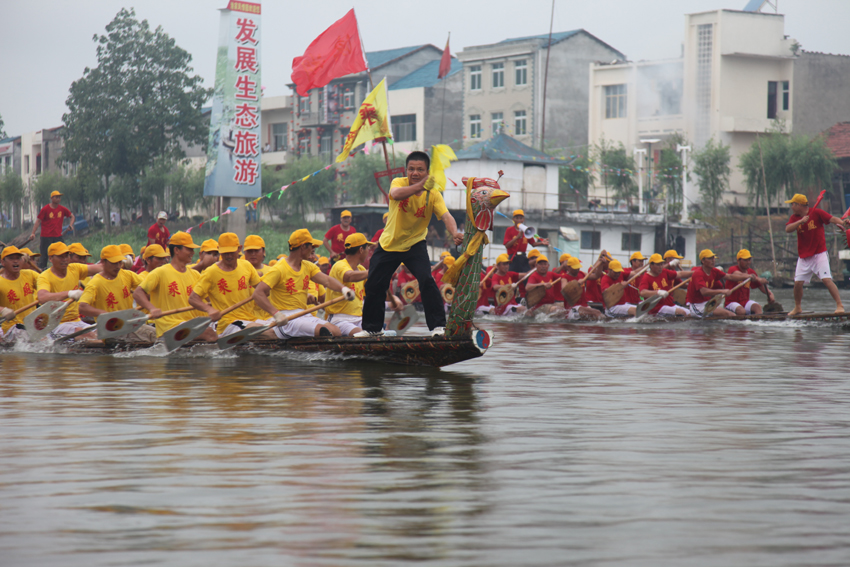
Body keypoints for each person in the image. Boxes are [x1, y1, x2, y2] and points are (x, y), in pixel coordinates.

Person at [358, 150, 463, 337]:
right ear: (406, 170)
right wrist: (421, 185)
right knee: (375, 285)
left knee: (426, 280)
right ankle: (372, 329)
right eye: (411, 169)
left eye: (420, 170)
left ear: (428, 171)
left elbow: (446, 216)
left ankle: (438, 327)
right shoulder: (398, 183)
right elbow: (396, 194)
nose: (415, 173)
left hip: (415, 244)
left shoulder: (434, 194)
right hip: (390, 243)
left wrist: (455, 232)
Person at [253, 229, 352, 338]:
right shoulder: (279, 269)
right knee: (326, 331)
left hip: (303, 314)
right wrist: (276, 314)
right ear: (303, 247)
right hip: (286, 318)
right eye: (311, 247)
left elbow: (327, 280)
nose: (312, 251)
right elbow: (258, 294)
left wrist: (344, 289)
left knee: (336, 331)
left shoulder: (308, 266)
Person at [134, 232, 218, 343]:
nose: (193, 252)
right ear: (177, 250)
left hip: (192, 324)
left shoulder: (195, 275)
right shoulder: (160, 272)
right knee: (209, 333)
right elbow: (138, 293)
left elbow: (209, 300)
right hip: (170, 328)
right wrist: (152, 308)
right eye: (189, 249)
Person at [188, 233, 264, 337]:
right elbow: (193, 298)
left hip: (250, 318)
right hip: (227, 323)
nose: (228, 256)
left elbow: (262, 290)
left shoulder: (246, 266)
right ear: (219, 250)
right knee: (263, 330)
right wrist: (210, 309)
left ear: (239, 249)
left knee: (275, 329)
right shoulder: (211, 272)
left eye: (231, 252)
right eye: (225, 252)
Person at [784, 193, 848, 315]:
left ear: (799, 205)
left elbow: (832, 218)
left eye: (793, 204)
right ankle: (797, 307)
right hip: (804, 256)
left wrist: (842, 223)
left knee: (826, 280)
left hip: (819, 253)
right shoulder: (794, 217)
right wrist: (800, 222)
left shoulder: (817, 212)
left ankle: (839, 305)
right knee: (797, 283)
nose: (791, 206)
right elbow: (788, 229)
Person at [78, 245, 155, 342]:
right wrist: (104, 314)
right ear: (103, 262)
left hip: (129, 324)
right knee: (156, 336)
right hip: (111, 330)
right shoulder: (95, 283)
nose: (117, 266)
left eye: (119, 262)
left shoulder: (127, 275)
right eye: (114, 263)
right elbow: (82, 307)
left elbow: (147, 290)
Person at [36, 242, 102, 340]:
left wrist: (120, 263)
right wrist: (69, 293)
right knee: (89, 336)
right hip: (56, 324)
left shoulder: (75, 268)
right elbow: (42, 297)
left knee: (102, 333)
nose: (64, 259)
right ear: (50, 259)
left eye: (66, 256)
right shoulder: (44, 277)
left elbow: (101, 268)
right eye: (60, 257)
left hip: (77, 321)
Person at [324, 233, 372, 336]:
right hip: (340, 320)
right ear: (361, 250)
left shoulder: (362, 270)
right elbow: (349, 276)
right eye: (367, 247)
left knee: (378, 332)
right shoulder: (339, 265)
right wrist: (373, 271)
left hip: (359, 319)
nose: (369, 251)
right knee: (363, 335)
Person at [685, 249, 744, 318]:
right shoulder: (698, 273)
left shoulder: (714, 271)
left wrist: (747, 277)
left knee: (730, 315)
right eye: (710, 258)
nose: (713, 260)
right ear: (703, 261)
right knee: (730, 315)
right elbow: (704, 292)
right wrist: (723, 291)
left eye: (713, 258)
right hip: (697, 306)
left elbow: (730, 276)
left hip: (707, 303)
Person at [0, 246, 40, 343]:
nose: (15, 261)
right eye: (11, 258)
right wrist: (2, 310)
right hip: (11, 326)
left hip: (32, 324)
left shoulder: (30, 275)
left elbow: (46, 285)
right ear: (3, 262)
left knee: (47, 341)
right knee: (39, 342)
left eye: (18, 258)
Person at [30, 190, 75, 269]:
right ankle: (41, 271)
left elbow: (72, 216)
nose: (58, 199)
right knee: (44, 256)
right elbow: (38, 221)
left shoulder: (62, 209)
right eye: (56, 197)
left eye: (59, 197)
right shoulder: (45, 209)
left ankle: (64, 268)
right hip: (46, 237)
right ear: (52, 198)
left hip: (57, 236)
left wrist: (71, 225)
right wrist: (33, 233)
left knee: (64, 252)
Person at [724, 249, 775, 316]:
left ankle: (757, 323)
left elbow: (764, 290)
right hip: (731, 302)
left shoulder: (751, 272)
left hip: (745, 302)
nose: (748, 262)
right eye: (745, 260)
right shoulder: (732, 269)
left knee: (758, 307)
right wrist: (758, 279)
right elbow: (740, 275)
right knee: (742, 311)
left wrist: (771, 295)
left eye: (749, 259)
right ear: (738, 261)